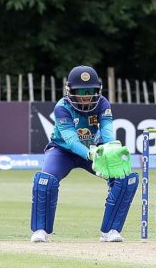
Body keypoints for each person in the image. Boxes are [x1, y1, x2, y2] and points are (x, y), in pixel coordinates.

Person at [30, 65, 139, 243]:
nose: (86, 95)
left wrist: (111, 148)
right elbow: (71, 140)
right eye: (80, 91)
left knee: (124, 178)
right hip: (63, 151)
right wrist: (90, 154)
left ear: (98, 90)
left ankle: (110, 230)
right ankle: (41, 230)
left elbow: (107, 129)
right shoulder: (62, 107)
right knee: (46, 181)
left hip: (96, 149)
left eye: (90, 91)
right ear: (70, 91)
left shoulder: (102, 103)